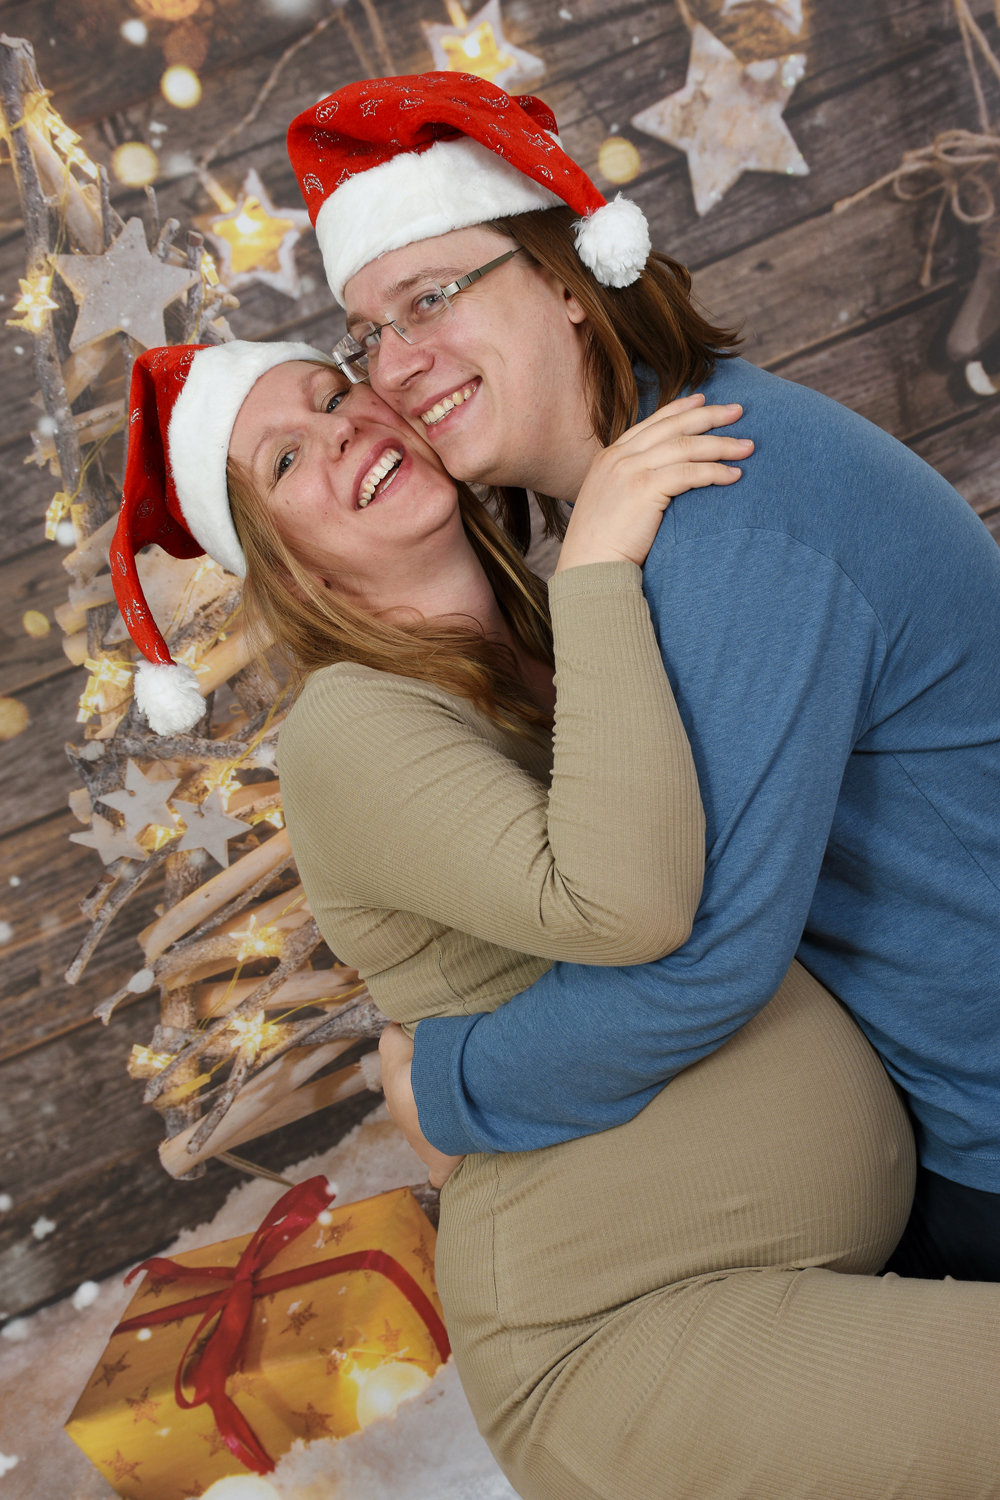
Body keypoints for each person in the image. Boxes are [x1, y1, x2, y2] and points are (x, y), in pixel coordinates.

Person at [111, 340, 999, 1500]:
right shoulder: (350, 726)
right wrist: (595, 569)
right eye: (286, 458)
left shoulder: (537, 649)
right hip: (617, 1343)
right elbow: (625, 903)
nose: (339, 429)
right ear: (293, 572)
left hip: (797, 1267)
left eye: (335, 393)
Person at [287, 72, 1000, 1284]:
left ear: (567, 280)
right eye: (367, 335)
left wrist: (446, 1085)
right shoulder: (647, 500)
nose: (393, 368)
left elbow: (704, 957)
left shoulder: (729, 518)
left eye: (431, 299)